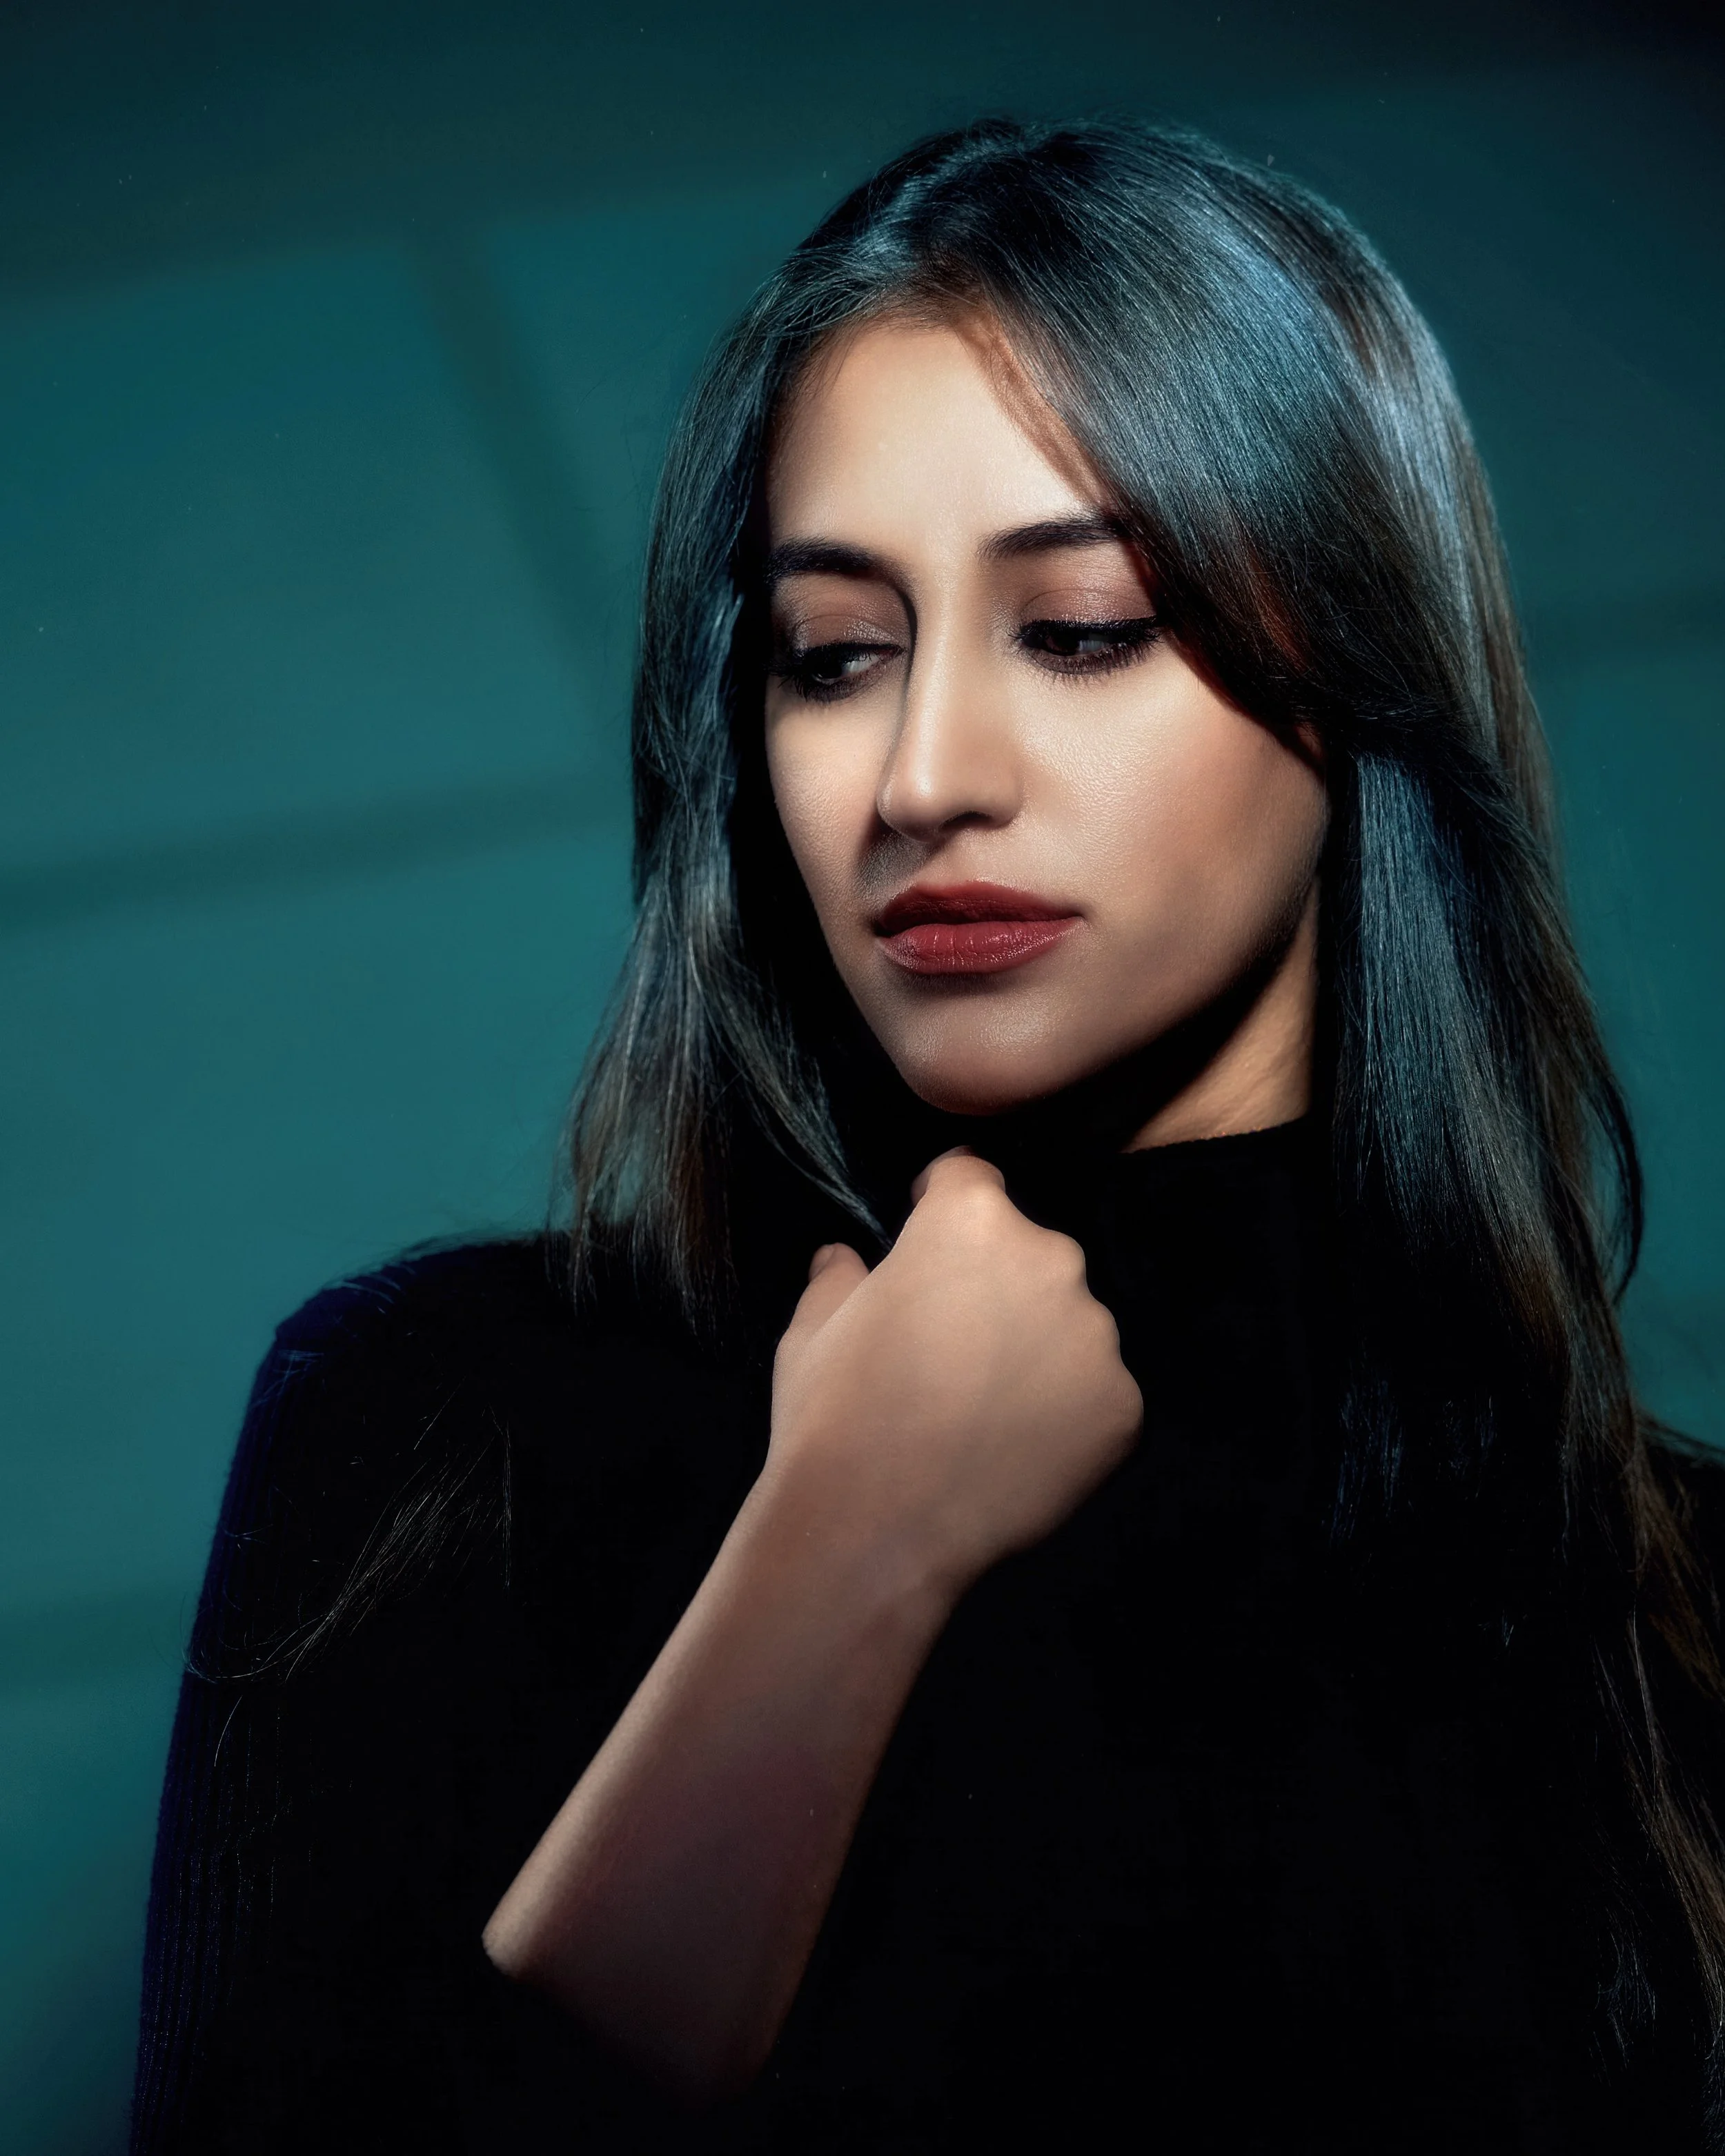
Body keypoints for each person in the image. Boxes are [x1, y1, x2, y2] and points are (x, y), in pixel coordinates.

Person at [132, 118, 1725, 2153]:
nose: (921, 775)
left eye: (1077, 631)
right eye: (833, 655)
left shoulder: (1661, 1618)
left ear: (1355, 678)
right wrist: (844, 1552)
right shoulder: (448, 1431)